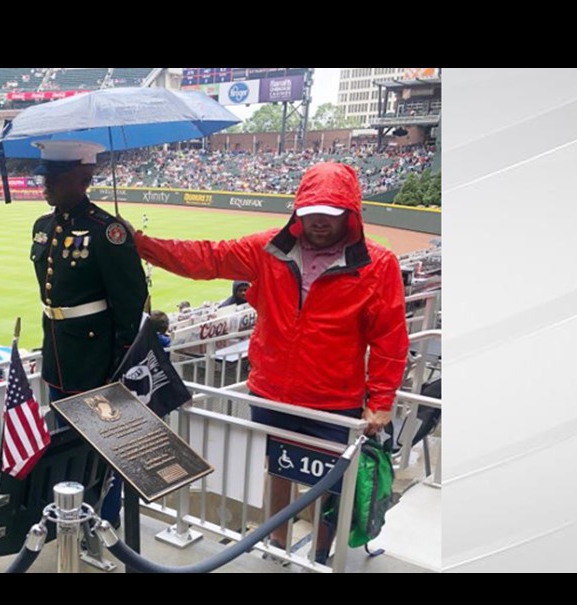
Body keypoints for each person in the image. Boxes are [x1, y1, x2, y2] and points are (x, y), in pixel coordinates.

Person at [121, 162, 408, 563]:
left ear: (351, 213)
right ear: (298, 211)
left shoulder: (379, 265)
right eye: (311, 212)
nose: (320, 222)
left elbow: (389, 340)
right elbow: (206, 258)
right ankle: (277, 544)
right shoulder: (267, 250)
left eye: (331, 212)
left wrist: (380, 400)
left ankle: (321, 554)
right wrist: (141, 244)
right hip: (271, 393)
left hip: (334, 402)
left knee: (330, 484)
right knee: (279, 470)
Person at [29, 140, 148, 528]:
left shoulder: (107, 230)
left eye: (53, 177)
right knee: (66, 444)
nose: (44, 184)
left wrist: (122, 360)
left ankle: (104, 522)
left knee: (105, 446)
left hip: (96, 360)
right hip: (59, 353)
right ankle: (72, 519)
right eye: (43, 176)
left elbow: (131, 301)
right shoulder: (43, 227)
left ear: (82, 178)